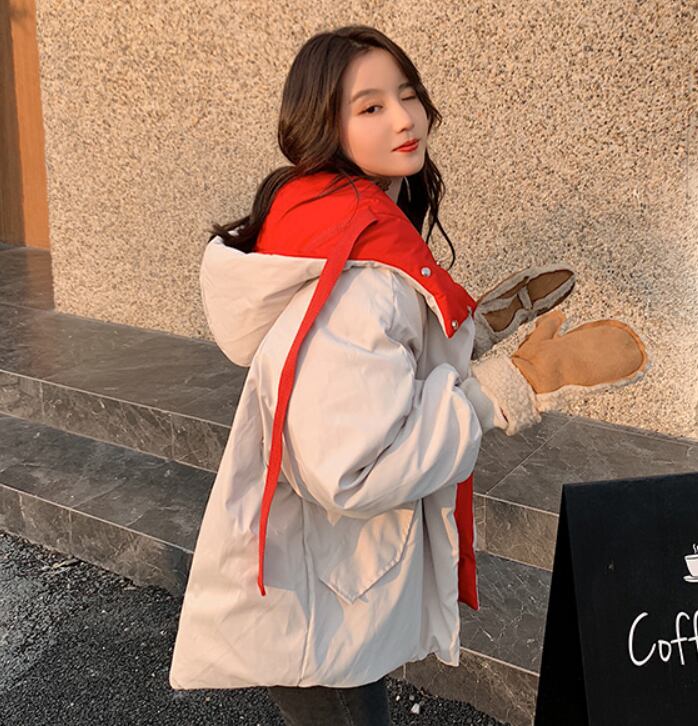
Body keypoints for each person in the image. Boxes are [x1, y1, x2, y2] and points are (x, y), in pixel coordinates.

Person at [168, 25, 650, 725]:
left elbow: (374, 377)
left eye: (408, 94)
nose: (404, 118)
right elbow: (354, 470)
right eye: (370, 106)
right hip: (324, 599)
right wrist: (510, 385)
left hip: (322, 576)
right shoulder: (362, 283)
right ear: (323, 126)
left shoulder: (337, 225)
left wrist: (468, 329)